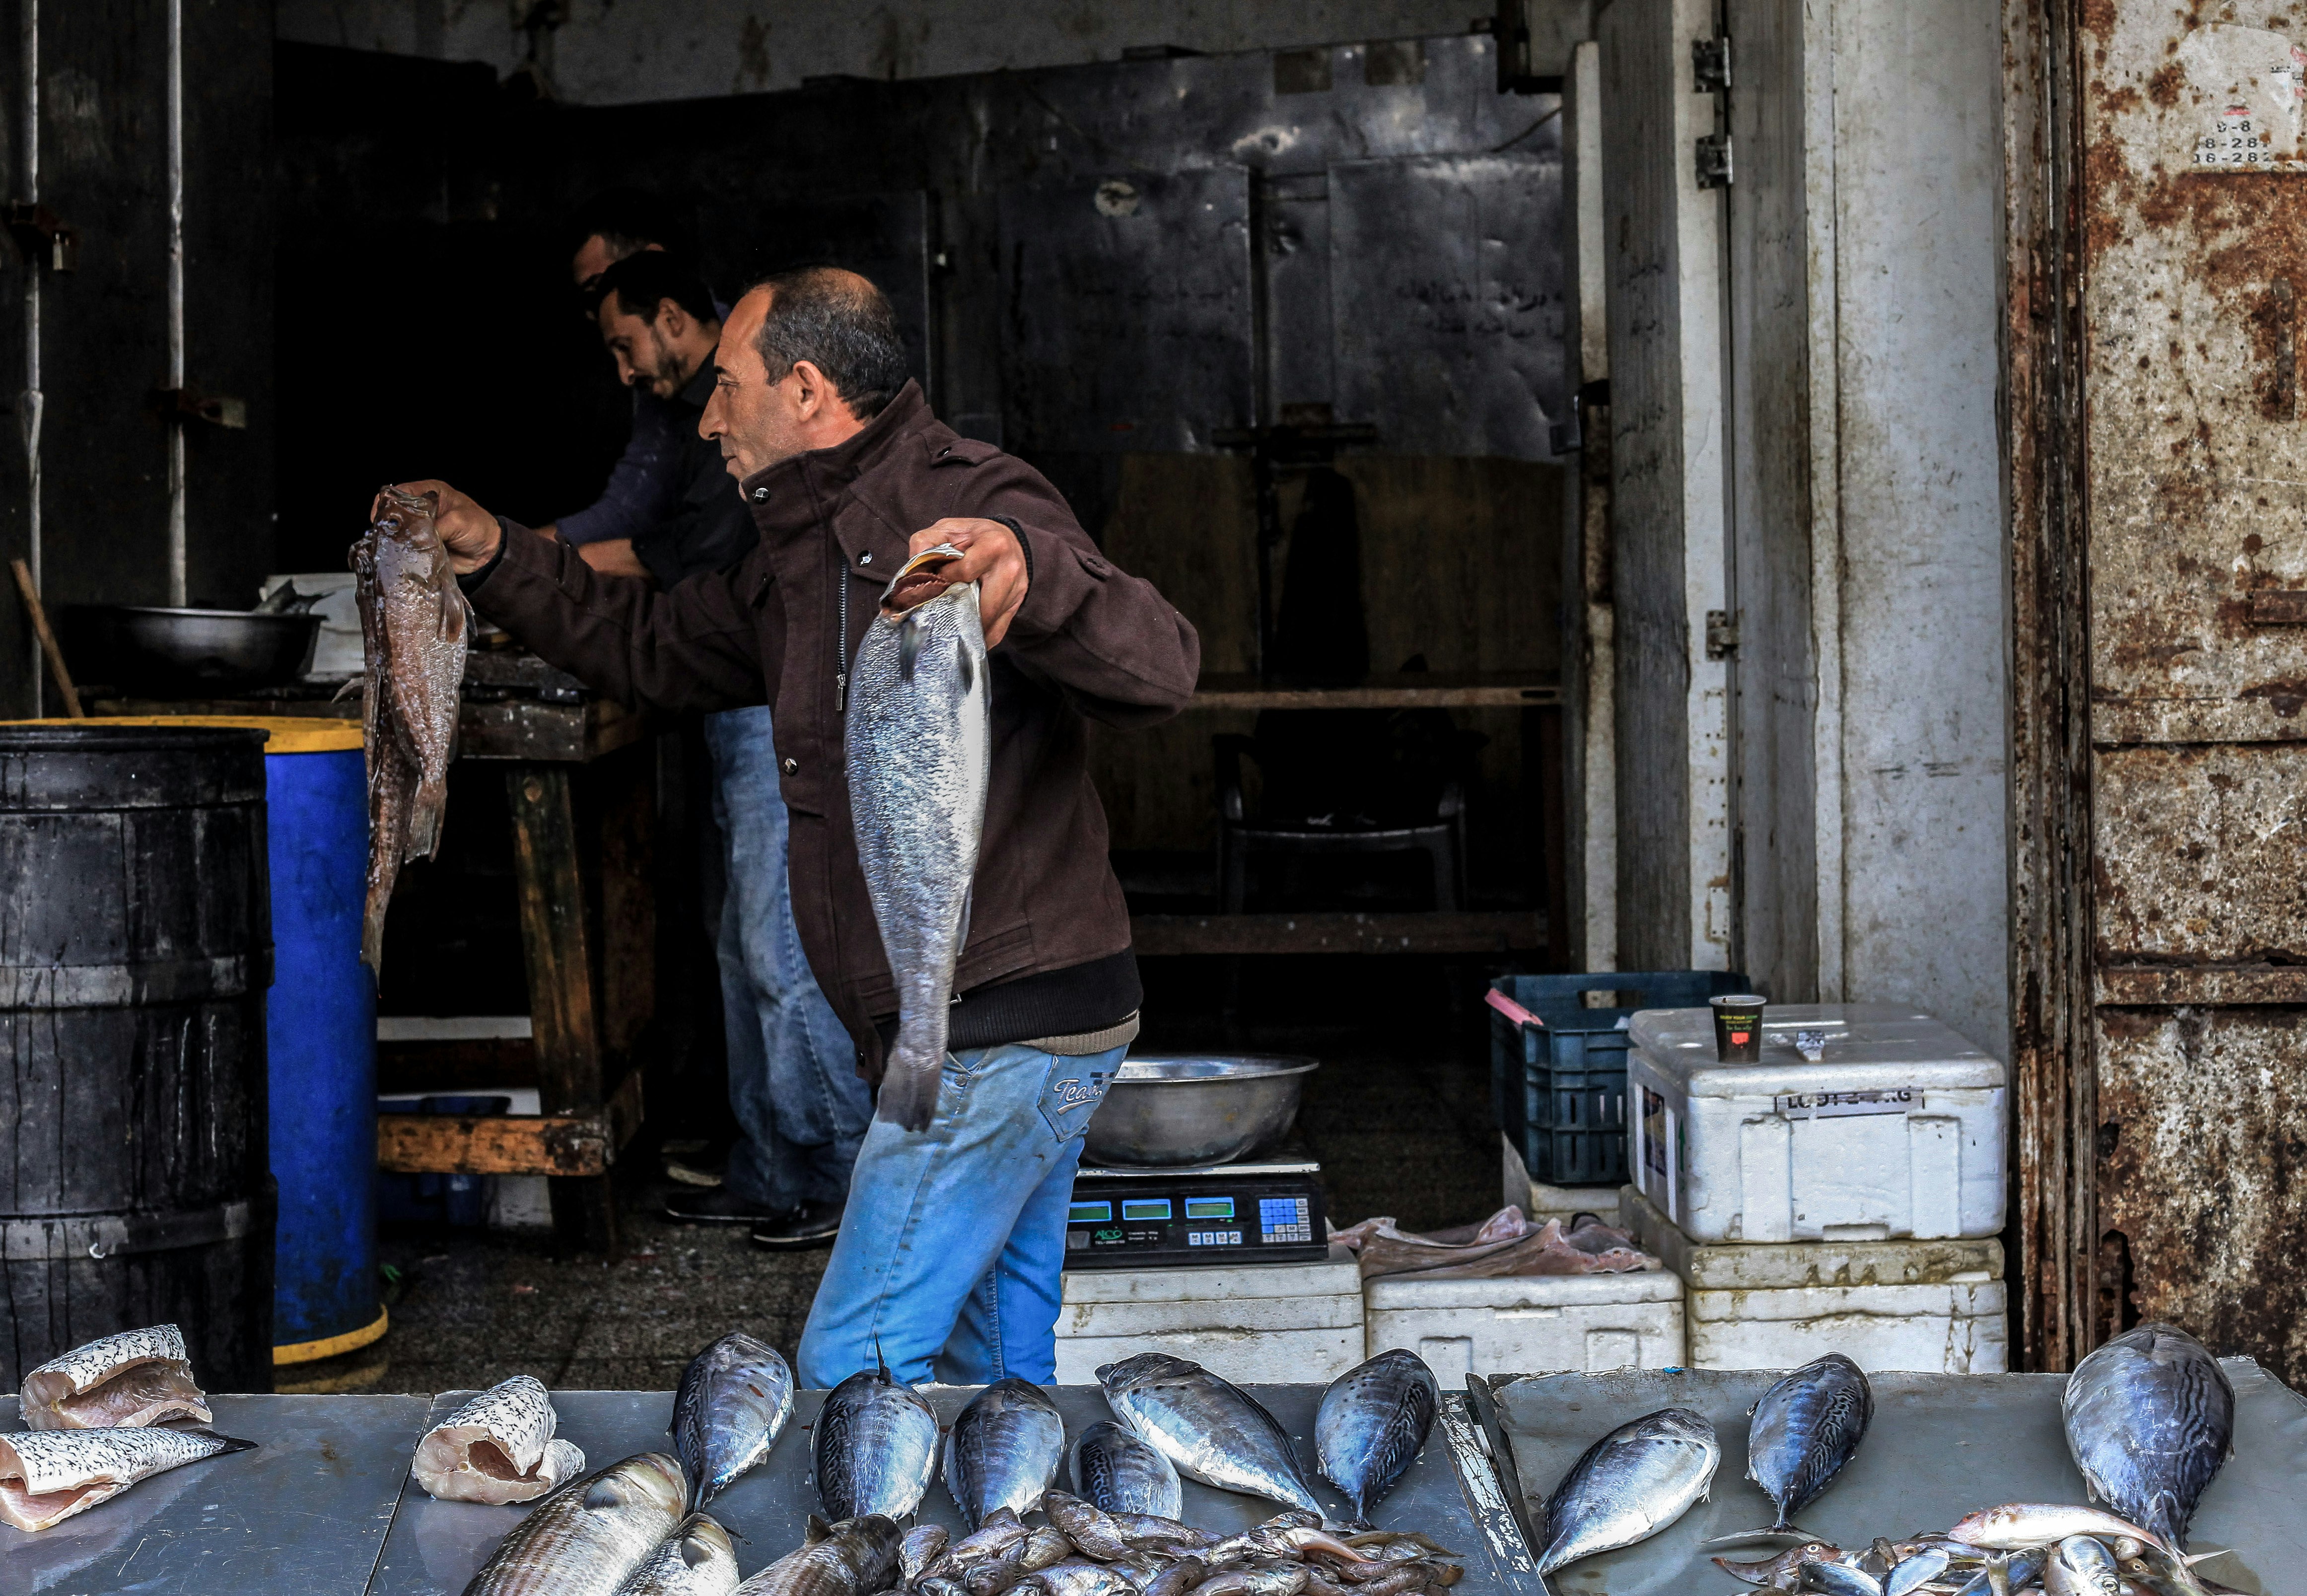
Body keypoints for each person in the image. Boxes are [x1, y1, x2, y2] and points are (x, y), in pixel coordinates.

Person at [394, 266, 1199, 1384]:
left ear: (807, 388)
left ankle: (875, 1554)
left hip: (999, 1024)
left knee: (850, 1367)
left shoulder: (962, 495)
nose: (707, 417)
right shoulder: (800, 553)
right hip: (1024, 1018)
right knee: (992, 1356)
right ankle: (1009, 1552)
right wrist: (497, 557)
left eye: (725, 387)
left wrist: (1035, 573)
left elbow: (1160, 665)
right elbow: (658, 642)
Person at [587, 250, 874, 1247]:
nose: (712, 416)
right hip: (732, 698)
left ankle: (837, 1172)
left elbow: (679, 559)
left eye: (629, 343)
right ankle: (766, 1164)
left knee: (780, 944)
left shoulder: (760, 427)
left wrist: (511, 556)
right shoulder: (702, 420)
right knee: (742, 942)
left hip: (770, 702)